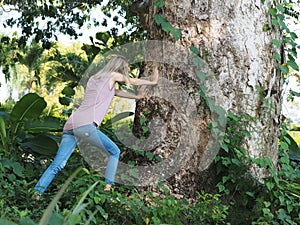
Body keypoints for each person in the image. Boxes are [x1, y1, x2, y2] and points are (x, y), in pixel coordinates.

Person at [33, 56, 159, 199]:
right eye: (126, 70)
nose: (127, 73)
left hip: (71, 124)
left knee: (57, 165)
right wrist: (153, 81)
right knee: (114, 151)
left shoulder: (95, 79)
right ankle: (108, 189)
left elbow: (120, 93)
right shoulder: (111, 76)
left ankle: (37, 193)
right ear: (119, 68)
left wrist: (137, 97)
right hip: (85, 124)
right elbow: (132, 81)